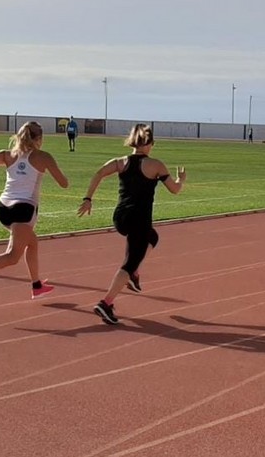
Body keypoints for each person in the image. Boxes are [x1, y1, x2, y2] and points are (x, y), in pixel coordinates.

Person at [77, 124, 185, 325]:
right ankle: (106, 302)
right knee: (130, 261)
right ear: (150, 143)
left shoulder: (121, 162)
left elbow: (99, 173)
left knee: (152, 237)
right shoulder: (156, 165)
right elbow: (175, 190)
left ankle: (134, 273)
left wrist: (88, 198)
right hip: (139, 218)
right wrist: (181, 179)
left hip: (120, 217)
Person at [0, 121, 69, 299]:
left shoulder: (8, 155)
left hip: (3, 208)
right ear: (39, 138)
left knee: (32, 243)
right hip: (23, 209)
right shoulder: (43, 156)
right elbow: (64, 183)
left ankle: (36, 285)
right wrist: (51, 167)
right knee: (13, 256)